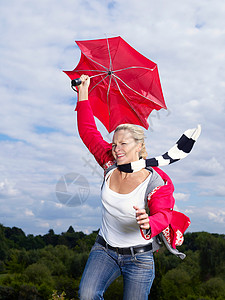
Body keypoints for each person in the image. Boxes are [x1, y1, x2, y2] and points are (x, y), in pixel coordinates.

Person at [76, 75, 175, 300]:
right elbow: (88, 131)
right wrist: (83, 93)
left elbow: (164, 214)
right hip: (105, 250)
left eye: (123, 144)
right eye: (114, 144)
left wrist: (150, 222)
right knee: (87, 295)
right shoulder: (110, 163)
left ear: (139, 146)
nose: (116, 149)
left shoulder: (156, 180)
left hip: (139, 258)